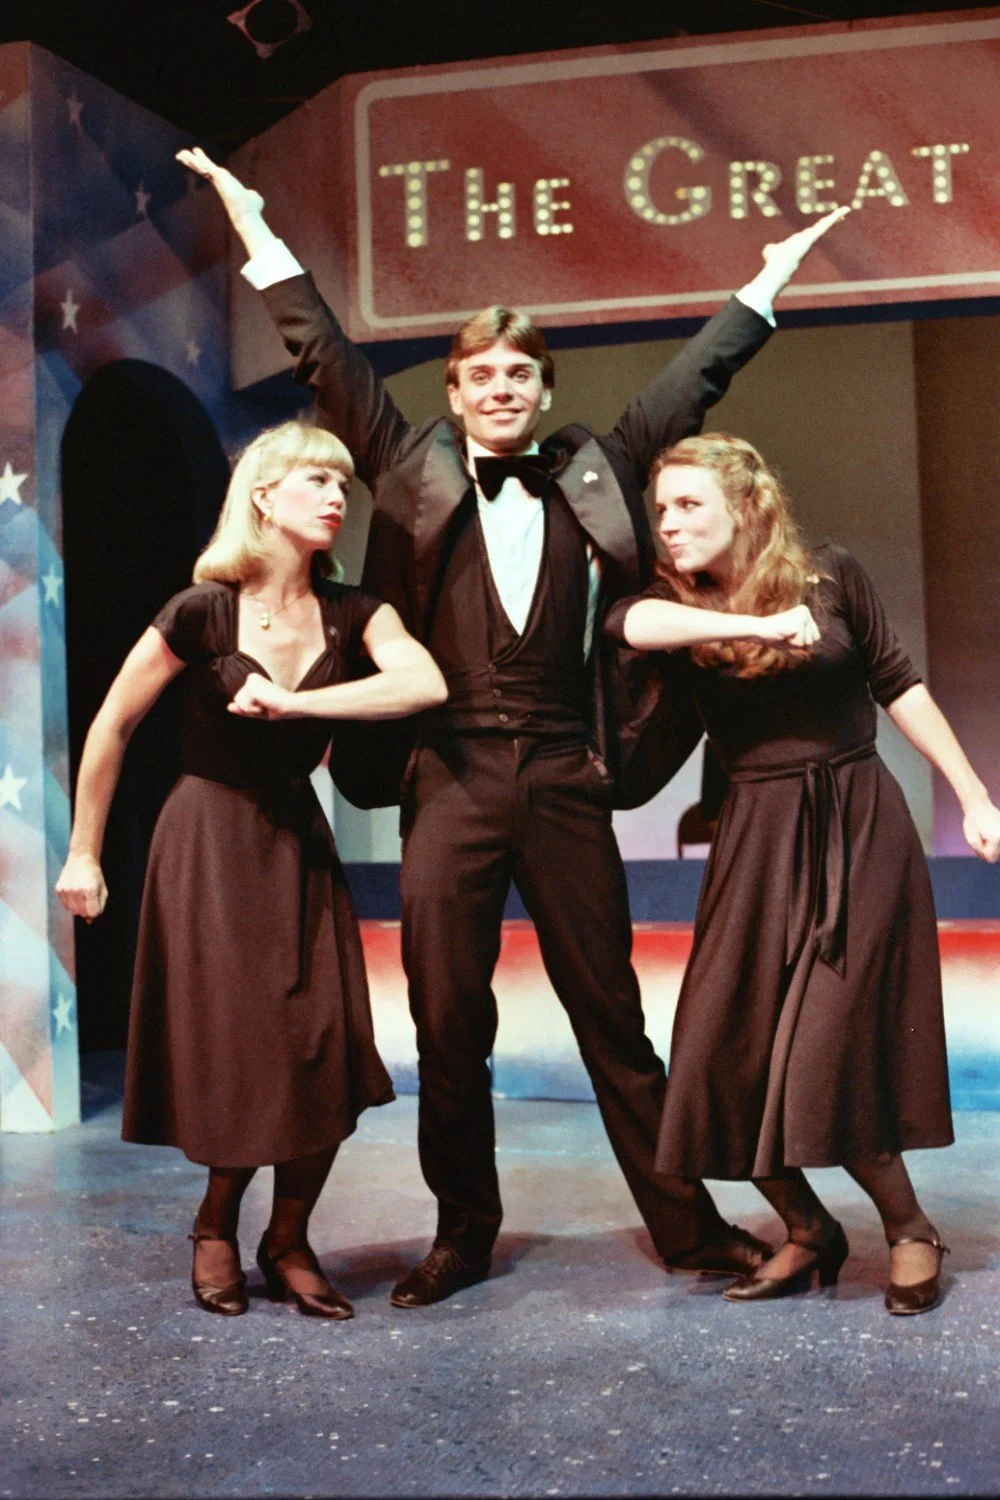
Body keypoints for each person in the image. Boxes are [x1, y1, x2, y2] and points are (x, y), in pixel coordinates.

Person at [178, 145, 848, 1308]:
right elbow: (325, 357)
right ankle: (461, 1234)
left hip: (566, 776)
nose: (498, 388)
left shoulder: (596, 465)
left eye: (518, 373)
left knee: (614, 1022)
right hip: (450, 776)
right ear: (453, 391)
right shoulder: (406, 467)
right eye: (478, 373)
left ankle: (686, 1227)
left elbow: (692, 385)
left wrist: (768, 281)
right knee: (449, 1023)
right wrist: (255, 229)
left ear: (544, 388)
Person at [56, 420, 447, 1319]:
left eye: (343, 483)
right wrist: (83, 850)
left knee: (322, 1042)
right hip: (207, 842)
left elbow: (422, 685)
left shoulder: (357, 612)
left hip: (295, 842)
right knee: (240, 1050)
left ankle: (290, 1236)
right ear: (264, 497)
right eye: (317, 479)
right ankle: (217, 1226)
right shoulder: (202, 607)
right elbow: (112, 726)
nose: (337, 496)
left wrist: (299, 701)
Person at [605, 432, 1000, 1313]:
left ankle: (908, 1230)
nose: (668, 525)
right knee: (718, 1055)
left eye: (688, 505)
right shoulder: (677, 604)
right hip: (755, 837)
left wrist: (974, 795)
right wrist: (748, 623)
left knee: (831, 1054)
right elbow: (627, 625)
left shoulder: (830, 575)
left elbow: (900, 683)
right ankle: (810, 1229)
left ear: (747, 505)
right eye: (661, 509)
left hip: (855, 827)